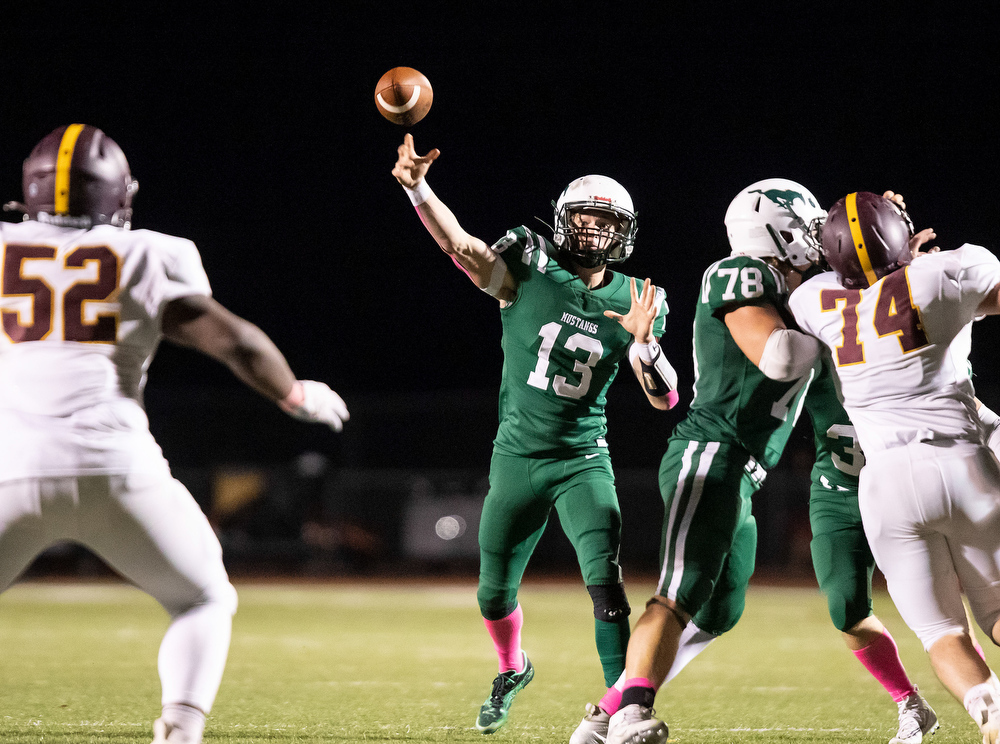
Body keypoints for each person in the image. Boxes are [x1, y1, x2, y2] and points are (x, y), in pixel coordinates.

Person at [0, 124, 349, 744]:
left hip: (8, 470)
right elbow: (236, 340)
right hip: (116, 470)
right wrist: (296, 396)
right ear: (118, 194)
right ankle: (180, 733)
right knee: (204, 599)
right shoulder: (151, 253)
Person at [604, 180, 937, 744]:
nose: (813, 238)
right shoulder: (742, 272)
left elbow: (863, 287)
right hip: (710, 454)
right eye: (803, 225)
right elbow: (780, 357)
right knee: (678, 590)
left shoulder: (804, 290)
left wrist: (890, 252)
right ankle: (630, 714)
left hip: (747, 470)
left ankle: (608, 711)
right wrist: (837, 321)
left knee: (719, 610)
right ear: (773, 228)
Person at [391, 133, 679, 736]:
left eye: (607, 222)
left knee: (608, 586)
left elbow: (667, 398)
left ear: (622, 231)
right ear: (563, 222)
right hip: (518, 455)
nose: (595, 232)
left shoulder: (636, 298)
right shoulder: (528, 267)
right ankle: (512, 665)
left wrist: (646, 341)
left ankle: (625, 710)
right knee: (493, 595)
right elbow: (460, 245)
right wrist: (419, 187)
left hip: (583, 458)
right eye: (586, 219)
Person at [788, 191, 1000, 744]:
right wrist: (917, 259)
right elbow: (981, 293)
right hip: (962, 464)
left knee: (941, 633)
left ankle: (992, 715)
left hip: (885, 486)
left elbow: (859, 268)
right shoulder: (943, 273)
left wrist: (895, 256)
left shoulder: (815, 298)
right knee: (997, 610)